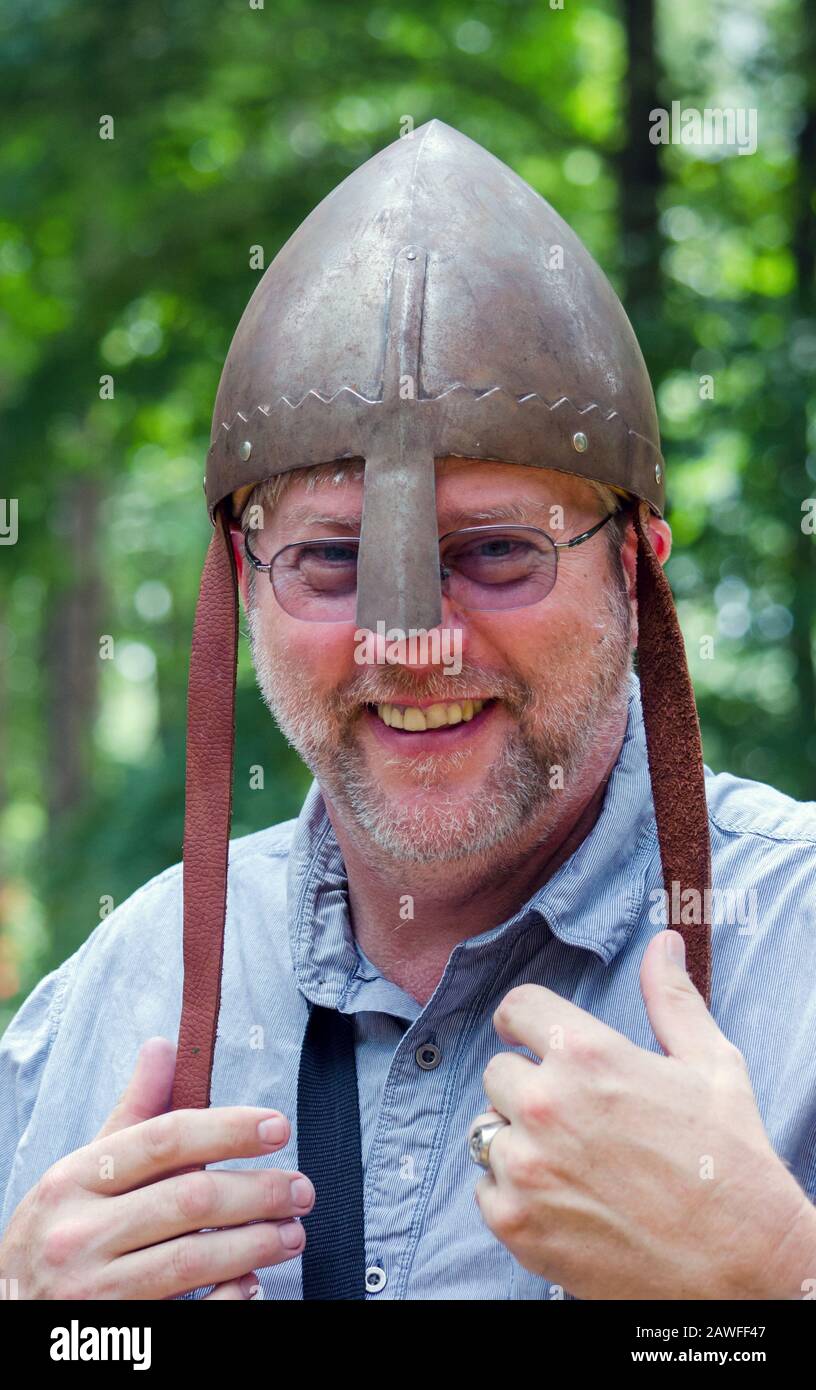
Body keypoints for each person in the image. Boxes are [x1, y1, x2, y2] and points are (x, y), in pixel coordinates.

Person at [1, 122, 814, 1302]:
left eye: (496, 551)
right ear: (240, 581)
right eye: (333, 563)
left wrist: (771, 1277)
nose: (413, 644)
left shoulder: (792, 950)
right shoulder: (120, 987)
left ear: (634, 568)